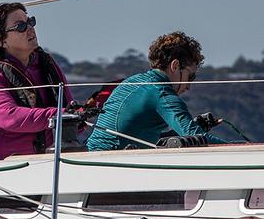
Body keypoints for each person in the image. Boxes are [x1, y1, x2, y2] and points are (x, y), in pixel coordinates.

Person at [87, 31, 227, 150]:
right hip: (110, 164)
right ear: (175, 65)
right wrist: (246, 147)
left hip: (92, 158)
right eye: (190, 76)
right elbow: (200, 139)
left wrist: (196, 126)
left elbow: (149, 137)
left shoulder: (133, 81)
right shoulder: (162, 93)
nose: (188, 86)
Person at [0, 2, 73, 162]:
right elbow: (9, 117)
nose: (30, 28)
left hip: (46, 164)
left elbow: (70, 106)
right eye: (20, 26)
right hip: (0, 168)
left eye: (30, 22)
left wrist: (81, 115)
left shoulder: (48, 67)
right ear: (1, 41)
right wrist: (60, 115)